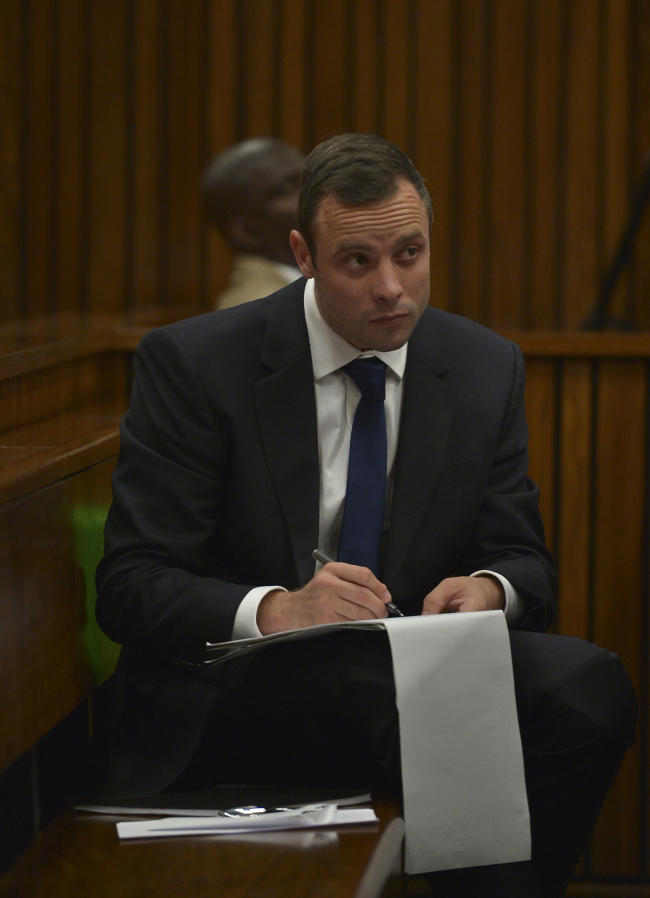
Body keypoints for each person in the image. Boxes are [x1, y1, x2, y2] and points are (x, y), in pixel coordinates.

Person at [94, 134, 637, 898]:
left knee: (588, 686)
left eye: (410, 254)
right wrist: (279, 609)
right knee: (418, 702)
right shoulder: (197, 363)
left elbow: (525, 563)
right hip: (237, 688)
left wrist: (487, 589)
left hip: (411, 670)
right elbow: (129, 585)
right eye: (358, 262)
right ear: (304, 254)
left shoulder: (481, 366)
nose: (392, 288)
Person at [202, 137, 304, 310]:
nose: (319, 194)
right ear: (247, 231)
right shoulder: (259, 310)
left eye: (313, 179)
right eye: (288, 189)